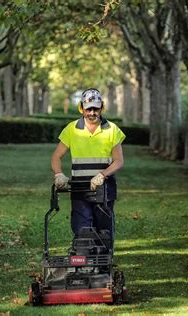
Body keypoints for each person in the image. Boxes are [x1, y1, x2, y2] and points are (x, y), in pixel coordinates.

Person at [50, 88, 125, 252]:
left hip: (104, 188)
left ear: (102, 107)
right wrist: (59, 174)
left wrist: (103, 174)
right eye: (88, 109)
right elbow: (56, 157)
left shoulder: (112, 130)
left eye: (96, 108)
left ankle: (104, 264)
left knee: (103, 228)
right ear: (81, 108)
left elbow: (119, 161)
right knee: (82, 228)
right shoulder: (72, 129)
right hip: (80, 188)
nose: (92, 113)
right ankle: (84, 263)